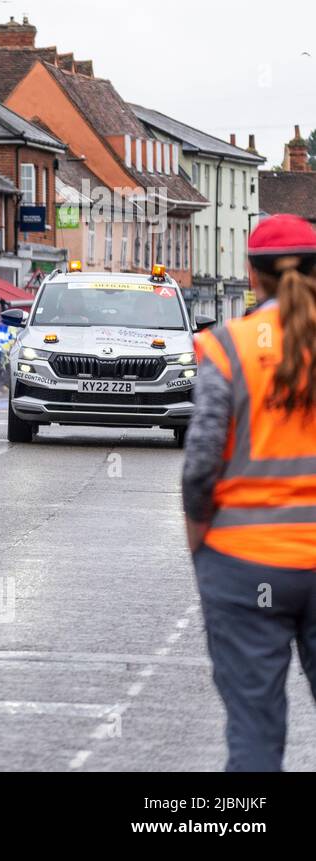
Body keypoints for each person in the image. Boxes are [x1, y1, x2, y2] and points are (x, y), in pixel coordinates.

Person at [183, 214, 316, 772]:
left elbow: (201, 465)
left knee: (255, 733)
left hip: (245, 565)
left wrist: (200, 547)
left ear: (251, 276)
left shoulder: (227, 346)